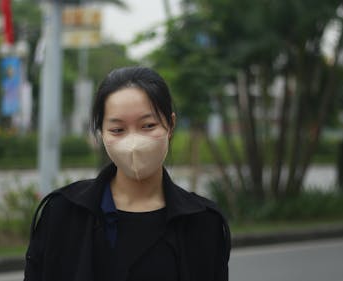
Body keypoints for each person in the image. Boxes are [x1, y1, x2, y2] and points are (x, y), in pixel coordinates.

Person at [24, 66, 230, 281]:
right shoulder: (62, 214)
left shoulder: (204, 223)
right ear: (101, 133)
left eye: (148, 125)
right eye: (118, 130)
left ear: (170, 125)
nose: (133, 144)